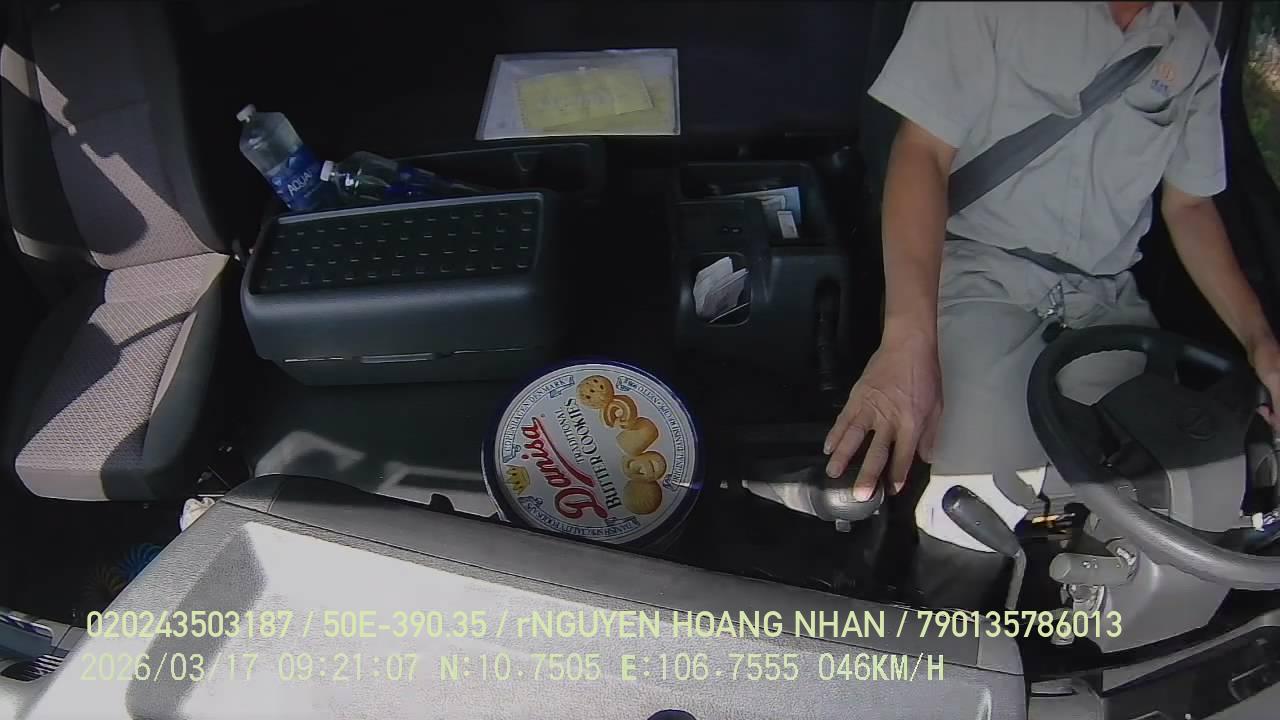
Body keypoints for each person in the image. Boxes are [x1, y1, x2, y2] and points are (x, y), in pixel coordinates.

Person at [823, 1, 1280, 609]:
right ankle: (951, 642)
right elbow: (922, 151)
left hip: (1106, 298)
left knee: (1173, 489)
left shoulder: (1190, 44)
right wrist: (906, 341)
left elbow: (1189, 206)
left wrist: (1261, 341)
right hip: (978, 269)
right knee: (974, 504)